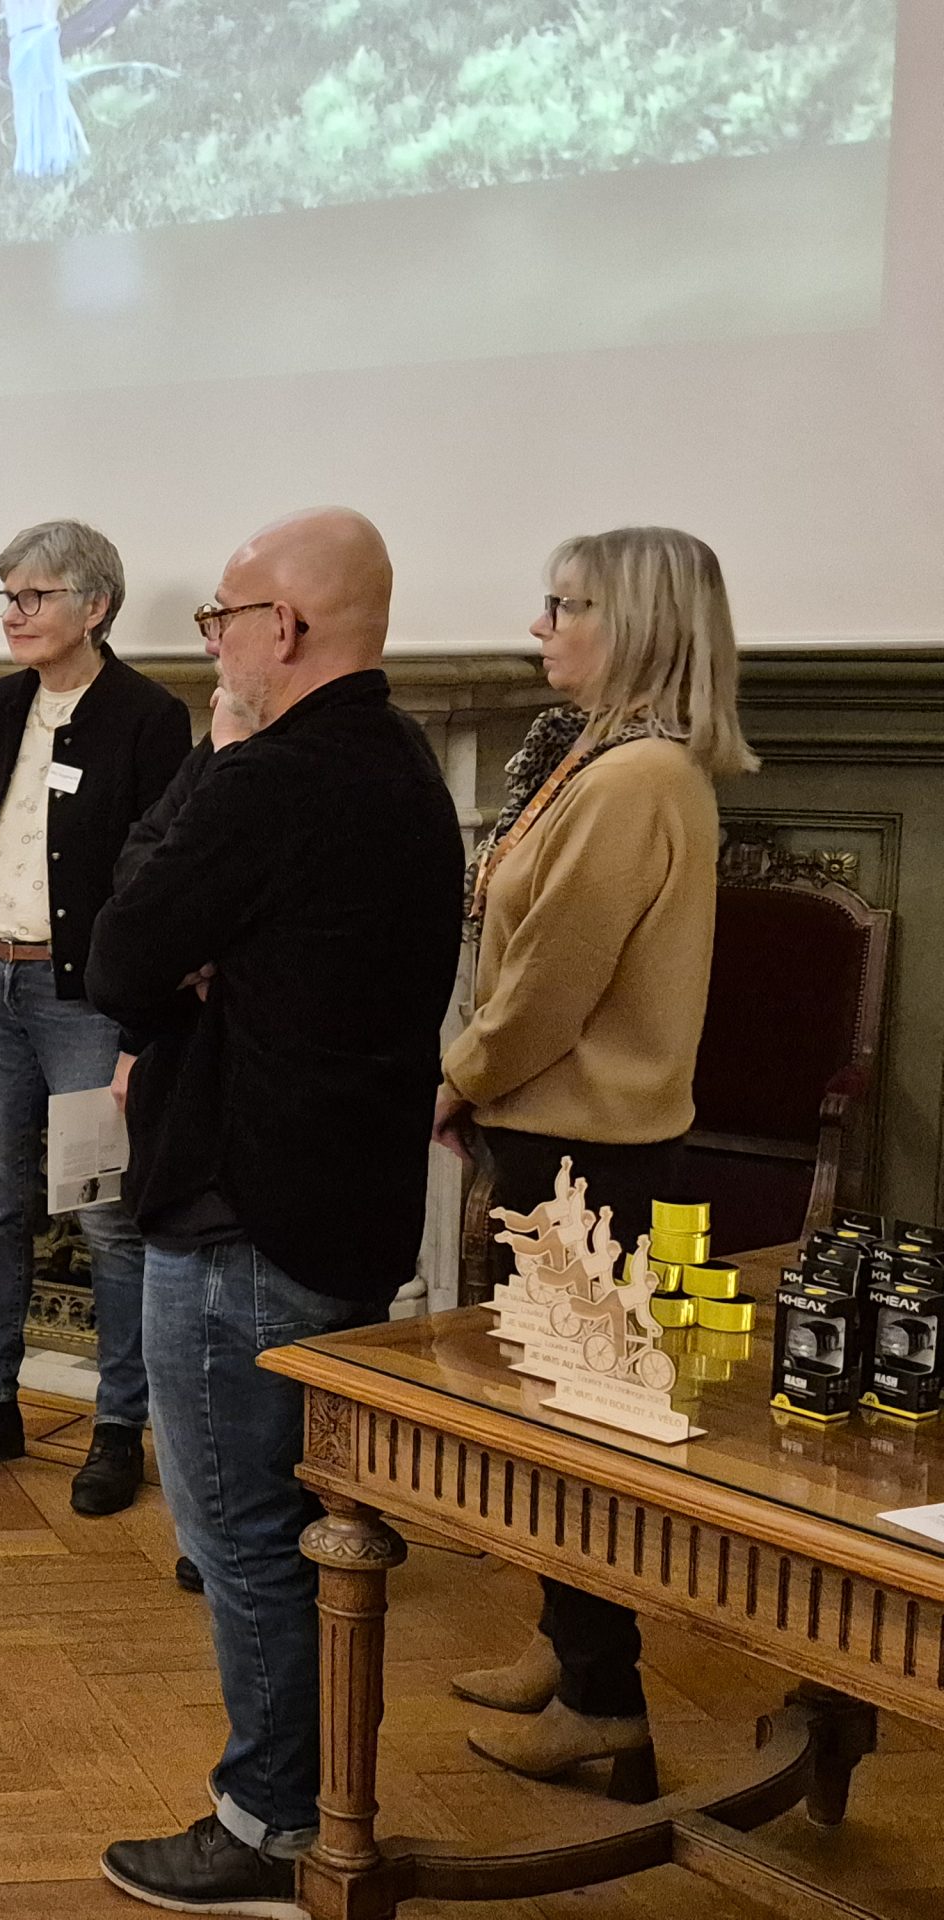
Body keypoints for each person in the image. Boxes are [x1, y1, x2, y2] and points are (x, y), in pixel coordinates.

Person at [88, 510, 465, 1914]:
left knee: (242, 1535)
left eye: (222, 618)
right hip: (350, 1205)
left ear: (284, 629)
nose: (213, 647)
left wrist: (214, 771)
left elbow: (120, 956)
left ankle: (269, 1822)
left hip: (239, 1215)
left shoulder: (268, 778)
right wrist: (208, 960)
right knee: (315, 1538)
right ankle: (315, 1802)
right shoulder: (405, 766)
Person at [435, 527, 753, 1795]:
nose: (540, 626)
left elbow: (547, 984)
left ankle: (605, 1706)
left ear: (638, 625)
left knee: (582, 1425)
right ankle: (567, 1647)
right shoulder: (598, 759)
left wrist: (458, 1077)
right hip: (563, 1136)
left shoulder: (635, 780)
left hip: (587, 1154)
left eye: (565, 606)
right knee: (560, 1411)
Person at [0, 520, 187, 1511]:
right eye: (7, 597)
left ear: (94, 605)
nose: (14, 615)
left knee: (106, 1219)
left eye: (34, 597)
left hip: (85, 1004)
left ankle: (117, 1427)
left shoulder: (148, 717)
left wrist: (139, 1031)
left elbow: (156, 883)